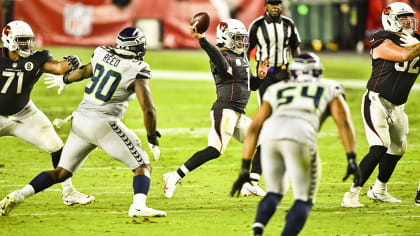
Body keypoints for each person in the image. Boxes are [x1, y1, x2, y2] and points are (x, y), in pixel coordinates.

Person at [0, 27, 166, 217]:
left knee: (62, 172)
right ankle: (138, 206)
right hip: (104, 123)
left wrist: (66, 79)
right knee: (142, 166)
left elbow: (85, 71)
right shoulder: (138, 68)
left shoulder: (102, 53)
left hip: (79, 121)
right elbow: (149, 109)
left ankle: (19, 195)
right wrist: (152, 137)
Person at [231, 52, 362, 236]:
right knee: (303, 200)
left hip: (270, 139)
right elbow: (344, 123)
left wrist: (245, 166)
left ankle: (258, 230)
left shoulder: (276, 89)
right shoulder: (329, 87)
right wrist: (351, 158)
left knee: (274, 193)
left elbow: (254, 128)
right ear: (318, 72)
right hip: (300, 137)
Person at [163, 19, 270, 198]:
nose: (241, 42)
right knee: (215, 149)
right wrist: (203, 40)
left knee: (264, 140)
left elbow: (252, 85)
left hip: (238, 113)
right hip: (225, 109)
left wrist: (260, 76)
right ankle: (174, 176)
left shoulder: (241, 56)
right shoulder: (221, 57)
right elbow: (219, 60)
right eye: (237, 38)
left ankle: (251, 183)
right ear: (225, 38)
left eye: (242, 38)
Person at [0, 20, 94, 206]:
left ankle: (68, 191)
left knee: (56, 146)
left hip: (24, 112)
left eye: (28, 40)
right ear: (9, 41)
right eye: (22, 41)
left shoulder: (37, 57)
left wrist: (70, 63)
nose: (27, 44)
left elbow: (57, 68)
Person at [341, 2, 420, 208]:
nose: (408, 22)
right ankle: (351, 194)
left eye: (409, 17)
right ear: (391, 19)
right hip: (376, 101)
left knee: (398, 148)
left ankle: (379, 190)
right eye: (403, 18)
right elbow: (403, 55)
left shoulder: (416, 40)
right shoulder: (381, 37)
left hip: (398, 106)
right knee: (379, 146)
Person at [243, 0, 301, 196]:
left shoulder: (288, 24)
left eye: (279, 3)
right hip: (266, 76)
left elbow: (295, 49)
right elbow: (245, 51)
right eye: (272, 4)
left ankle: (261, 176)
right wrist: (251, 74)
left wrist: (299, 71)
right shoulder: (257, 25)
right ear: (266, 6)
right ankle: (253, 178)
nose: (276, 7)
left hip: (284, 74)